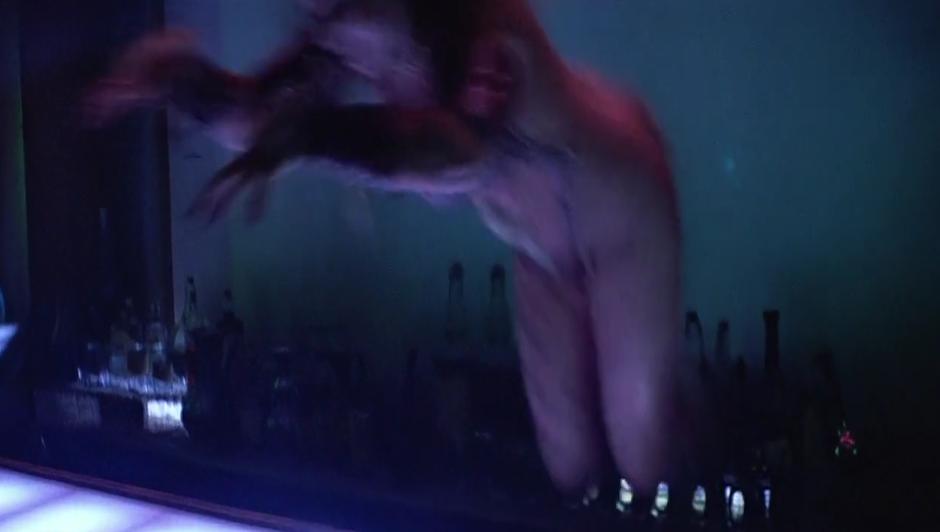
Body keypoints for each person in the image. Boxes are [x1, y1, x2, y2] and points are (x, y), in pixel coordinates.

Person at [86, 0, 686, 498]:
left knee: (643, 458)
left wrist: (307, 136)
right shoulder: (352, 35)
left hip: (623, 221)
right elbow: (263, 121)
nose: (324, 30)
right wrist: (178, 79)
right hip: (540, 249)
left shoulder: (485, 32)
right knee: (570, 466)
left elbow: (456, 153)